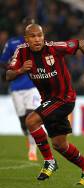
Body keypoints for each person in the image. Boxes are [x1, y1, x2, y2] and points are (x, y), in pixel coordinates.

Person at [6, 23, 84, 185]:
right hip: (49, 102)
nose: (37, 39)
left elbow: (82, 43)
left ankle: (49, 162)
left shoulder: (54, 48)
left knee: (31, 120)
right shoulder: (21, 52)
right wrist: (20, 70)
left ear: (44, 36)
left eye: (40, 35)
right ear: (26, 39)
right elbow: (8, 75)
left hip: (65, 98)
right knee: (59, 144)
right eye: (33, 36)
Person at [0, 18, 39, 161]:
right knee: (24, 121)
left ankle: (33, 150)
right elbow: (3, 61)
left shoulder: (38, 43)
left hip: (33, 87)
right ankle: (26, 132)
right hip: (16, 87)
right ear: (23, 28)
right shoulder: (12, 43)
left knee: (31, 118)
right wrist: (12, 67)